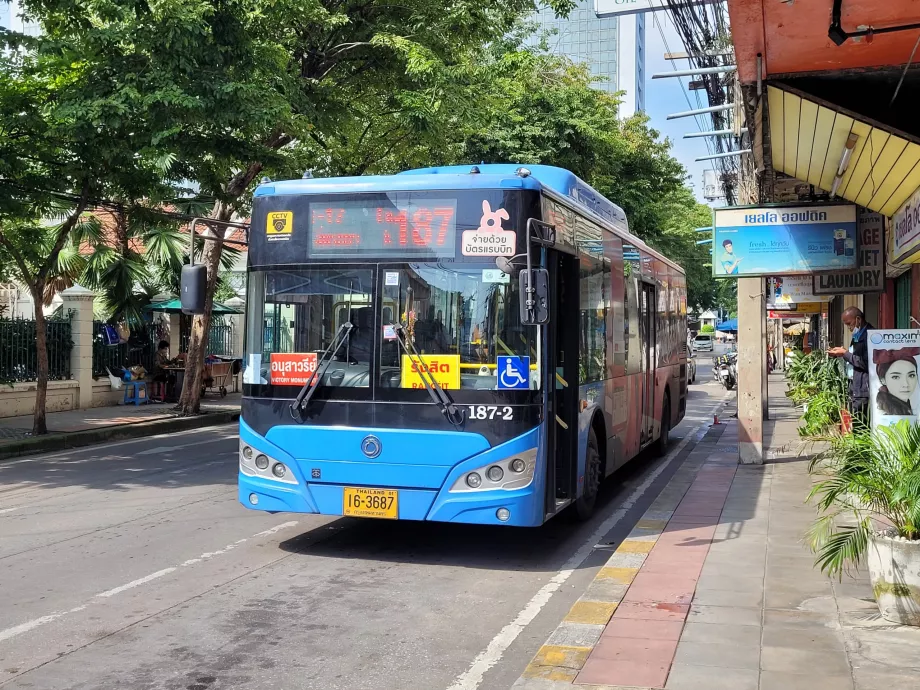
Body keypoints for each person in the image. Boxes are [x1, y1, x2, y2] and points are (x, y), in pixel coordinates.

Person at [827, 307, 873, 420]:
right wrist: (841, 353)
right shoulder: (857, 336)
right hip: (855, 384)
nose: (849, 327)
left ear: (858, 319)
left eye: (849, 323)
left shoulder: (870, 336)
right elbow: (855, 355)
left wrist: (845, 354)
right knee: (856, 419)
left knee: (861, 422)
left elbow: (865, 362)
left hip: (863, 387)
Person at [873, 348, 920, 416]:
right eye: (896, 377)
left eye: (911, 375)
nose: (906, 384)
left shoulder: (907, 406)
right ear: (883, 380)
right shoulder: (885, 413)